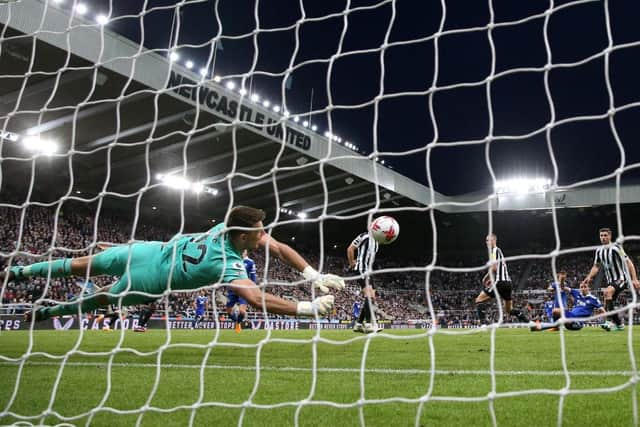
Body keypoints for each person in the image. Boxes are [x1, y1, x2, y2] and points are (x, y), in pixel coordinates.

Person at [5, 206, 344, 322]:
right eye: (258, 233)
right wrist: (307, 307)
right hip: (150, 277)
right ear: (244, 237)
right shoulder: (225, 265)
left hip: (146, 252)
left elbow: (280, 248)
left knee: (80, 265)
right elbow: (257, 300)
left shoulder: (225, 228)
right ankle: (41, 304)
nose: (263, 237)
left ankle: (22, 276)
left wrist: (313, 275)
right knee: (103, 296)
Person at [581, 227, 640, 331]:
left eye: (605, 235)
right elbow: (596, 266)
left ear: (610, 236)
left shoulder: (616, 248)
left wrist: (634, 279)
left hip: (622, 279)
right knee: (607, 298)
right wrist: (589, 277)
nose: (603, 237)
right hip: (611, 281)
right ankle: (619, 324)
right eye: (601, 235)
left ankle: (608, 322)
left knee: (607, 292)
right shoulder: (599, 251)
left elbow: (628, 262)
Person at [474, 233, 528, 325]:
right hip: (507, 283)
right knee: (509, 310)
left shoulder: (494, 251)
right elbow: (500, 268)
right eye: (486, 240)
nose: (486, 242)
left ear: (494, 240)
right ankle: (529, 322)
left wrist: (485, 278)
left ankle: (483, 324)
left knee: (479, 300)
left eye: (488, 240)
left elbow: (494, 268)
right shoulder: (499, 251)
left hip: (501, 282)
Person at [530, 282, 605, 331]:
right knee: (555, 311)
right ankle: (553, 327)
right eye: (581, 287)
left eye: (585, 287)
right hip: (570, 316)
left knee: (562, 318)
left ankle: (540, 327)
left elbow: (603, 311)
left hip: (578, 323)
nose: (583, 288)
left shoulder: (593, 299)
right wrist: (561, 281)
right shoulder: (577, 293)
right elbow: (564, 288)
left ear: (589, 288)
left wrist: (605, 322)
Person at [347, 230, 381, 333]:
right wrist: (352, 263)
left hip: (369, 272)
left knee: (371, 297)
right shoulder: (364, 236)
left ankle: (358, 324)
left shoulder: (377, 242)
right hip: (362, 269)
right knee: (369, 296)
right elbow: (350, 249)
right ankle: (368, 324)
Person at [225, 250, 254, 333]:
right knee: (229, 311)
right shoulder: (233, 259)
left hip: (244, 289)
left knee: (242, 311)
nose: (242, 251)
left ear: (246, 252)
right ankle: (237, 322)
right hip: (232, 288)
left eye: (244, 250)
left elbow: (253, 277)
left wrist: (252, 287)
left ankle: (238, 324)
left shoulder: (250, 262)